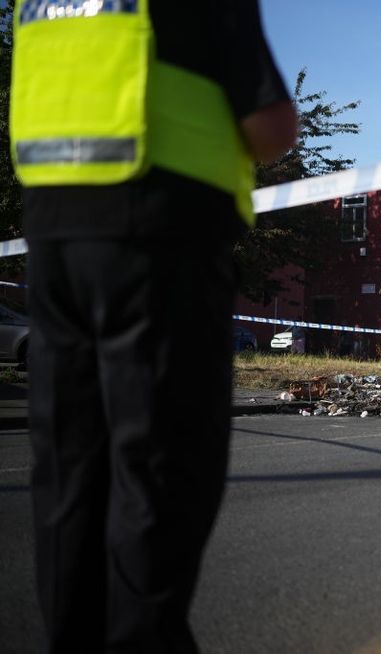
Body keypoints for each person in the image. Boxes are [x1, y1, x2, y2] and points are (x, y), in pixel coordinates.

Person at [9, 1, 297, 651]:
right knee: (162, 468)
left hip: (53, 241)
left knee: (68, 467)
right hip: (160, 239)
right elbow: (271, 126)